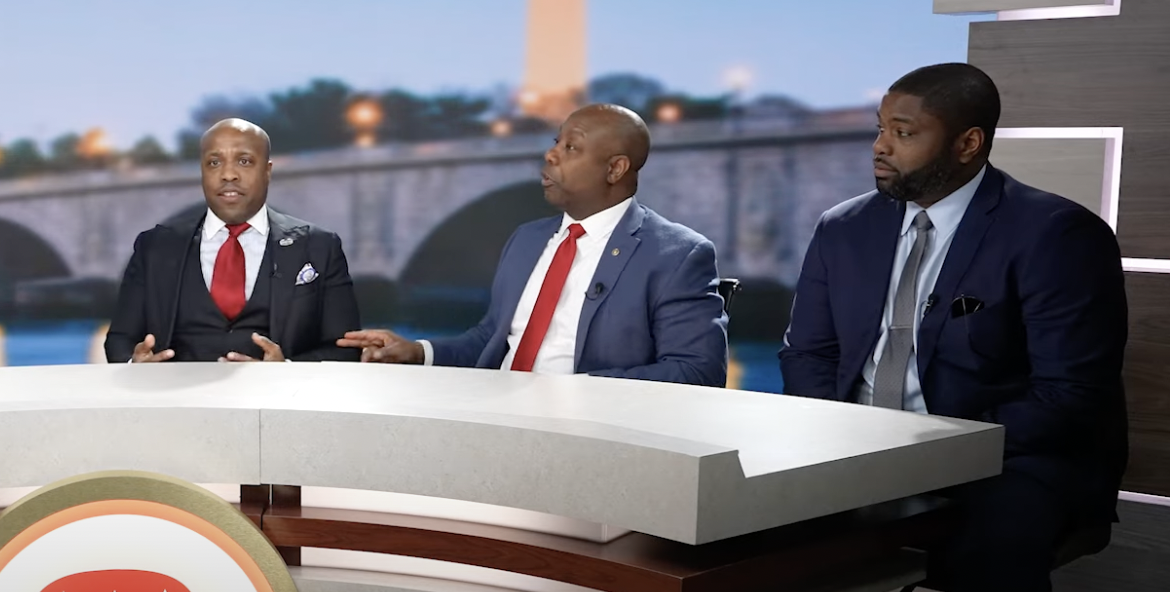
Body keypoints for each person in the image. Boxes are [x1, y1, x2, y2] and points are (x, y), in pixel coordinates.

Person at [778, 63, 1127, 592]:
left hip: (1010, 455)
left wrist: (937, 450)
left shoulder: (1055, 233)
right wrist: (838, 439)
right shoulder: (843, 229)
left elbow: (1070, 397)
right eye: (880, 129)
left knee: (1000, 545)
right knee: (751, 522)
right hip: (863, 448)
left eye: (903, 133)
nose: (880, 146)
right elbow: (808, 357)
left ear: (967, 144)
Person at [339, 104, 726, 384]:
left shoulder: (676, 254)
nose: (550, 154)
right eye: (556, 141)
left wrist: (567, 392)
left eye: (571, 148)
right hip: (497, 421)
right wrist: (417, 352)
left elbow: (697, 371)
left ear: (615, 168)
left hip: (593, 437)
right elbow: (492, 340)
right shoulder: (527, 239)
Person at [104, 118, 360, 363]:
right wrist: (134, 366)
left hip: (277, 403)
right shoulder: (154, 247)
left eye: (244, 161)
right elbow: (120, 340)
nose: (228, 174)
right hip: (178, 404)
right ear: (202, 171)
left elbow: (345, 350)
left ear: (267, 171)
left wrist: (288, 370)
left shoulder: (320, 247)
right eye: (214, 163)